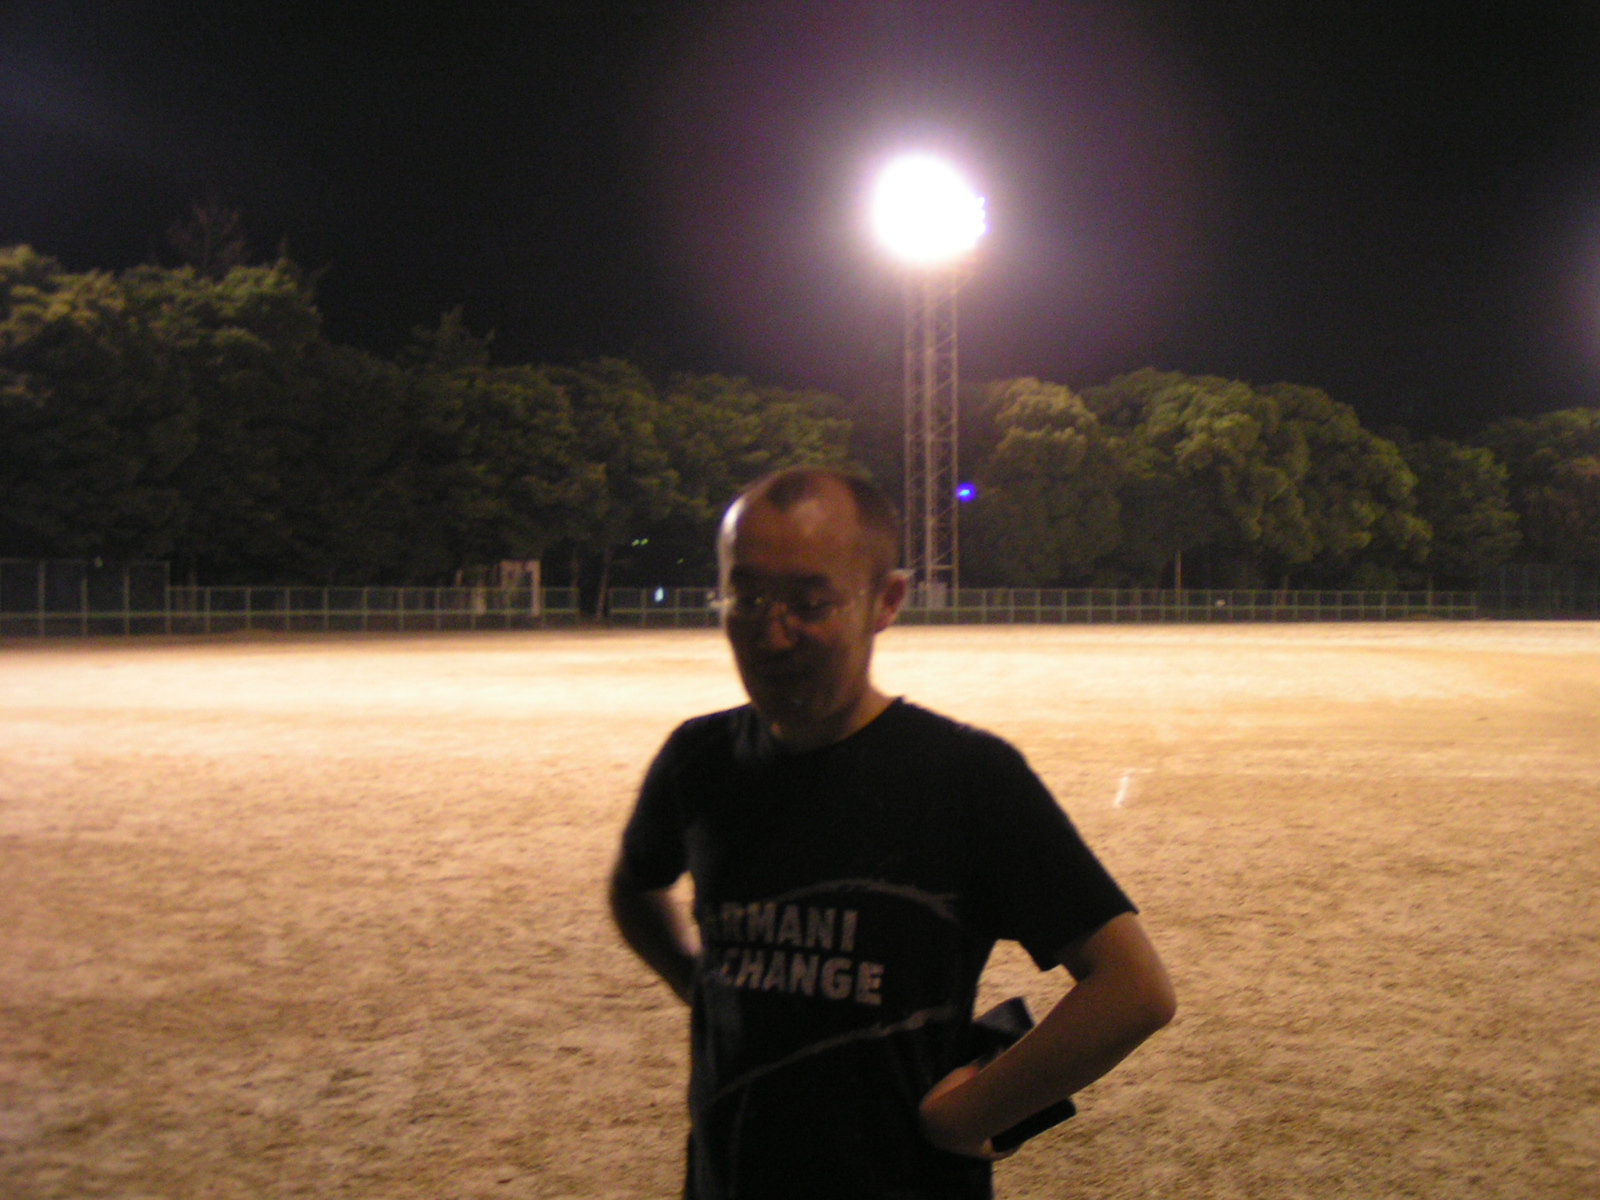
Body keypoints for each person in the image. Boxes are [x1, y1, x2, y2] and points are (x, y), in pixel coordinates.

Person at [609, 466, 1175, 1199]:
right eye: (747, 598)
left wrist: (968, 1114)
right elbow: (635, 885)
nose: (771, 634)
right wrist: (699, 985)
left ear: (887, 601)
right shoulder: (699, 759)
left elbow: (1133, 989)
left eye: (809, 604)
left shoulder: (965, 776)